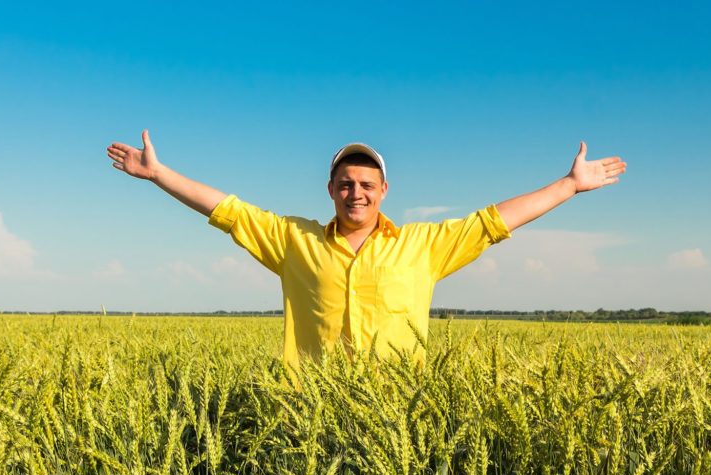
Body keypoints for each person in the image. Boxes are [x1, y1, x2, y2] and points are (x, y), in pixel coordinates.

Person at [106, 131, 626, 375]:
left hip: (399, 416)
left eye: (367, 184)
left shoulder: (423, 246)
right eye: (347, 183)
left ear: (384, 190)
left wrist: (569, 185)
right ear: (330, 189)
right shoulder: (295, 240)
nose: (358, 193)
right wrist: (159, 175)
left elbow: (492, 222)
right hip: (307, 413)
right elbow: (229, 211)